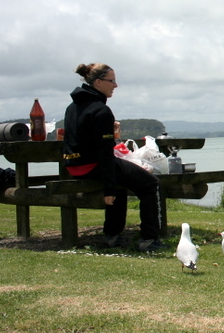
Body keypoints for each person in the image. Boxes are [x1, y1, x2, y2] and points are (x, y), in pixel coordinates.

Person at [62, 63, 166, 252]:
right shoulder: (100, 110)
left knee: (122, 179)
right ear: (99, 82)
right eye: (112, 80)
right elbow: (104, 153)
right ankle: (149, 239)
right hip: (93, 165)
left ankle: (112, 236)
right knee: (152, 184)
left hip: (74, 166)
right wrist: (109, 189)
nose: (115, 85)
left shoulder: (73, 107)